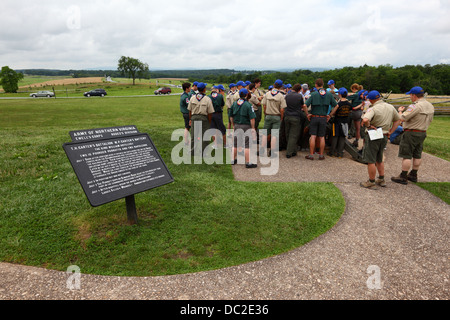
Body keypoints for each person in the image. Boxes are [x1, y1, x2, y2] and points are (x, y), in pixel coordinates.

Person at [391, 86, 434, 185]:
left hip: (411, 132)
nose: (410, 97)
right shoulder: (430, 105)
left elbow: (403, 118)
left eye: (410, 95)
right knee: (417, 154)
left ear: (414, 95)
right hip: (422, 132)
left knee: (407, 155)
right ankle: (414, 174)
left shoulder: (415, 106)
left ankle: (403, 176)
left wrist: (400, 111)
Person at [360, 90, 401, 189]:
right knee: (379, 158)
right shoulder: (390, 107)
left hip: (374, 134)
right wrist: (391, 131)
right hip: (385, 134)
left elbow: (365, 119)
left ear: (370, 99)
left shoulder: (373, 108)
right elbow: (398, 120)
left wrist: (369, 126)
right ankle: (381, 179)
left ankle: (371, 181)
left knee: (371, 160)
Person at [302, 78, 337, 160]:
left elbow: (304, 105)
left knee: (313, 136)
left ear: (316, 85)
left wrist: (307, 114)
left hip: (314, 117)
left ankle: (311, 154)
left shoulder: (313, 94)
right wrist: (330, 115)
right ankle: (321, 155)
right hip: (324, 118)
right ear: (323, 84)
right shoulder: (328, 94)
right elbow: (336, 105)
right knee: (322, 137)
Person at [229, 88, 257, 169]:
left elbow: (231, 116)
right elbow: (252, 118)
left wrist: (233, 124)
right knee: (247, 145)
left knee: (235, 144)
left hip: (237, 124)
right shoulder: (248, 105)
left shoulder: (234, 103)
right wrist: (253, 128)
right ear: (246, 95)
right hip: (246, 126)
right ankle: (248, 162)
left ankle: (233, 160)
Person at [261, 79, 287, 158]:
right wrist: (281, 117)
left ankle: (262, 150)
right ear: (281, 86)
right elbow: (282, 109)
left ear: (274, 85)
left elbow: (264, 105)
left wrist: (265, 112)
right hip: (276, 116)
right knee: (274, 135)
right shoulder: (281, 96)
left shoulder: (267, 93)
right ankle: (271, 151)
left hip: (268, 115)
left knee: (265, 133)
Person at [188, 82, 215, 155]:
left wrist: (190, 119)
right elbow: (210, 113)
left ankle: (192, 151)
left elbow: (189, 110)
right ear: (204, 89)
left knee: (194, 135)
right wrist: (209, 122)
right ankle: (204, 152)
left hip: (194, 117)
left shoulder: (192, 97)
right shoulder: (207, 99)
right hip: (204, 118)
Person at [328, 87, 352, 158]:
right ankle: (340, 153)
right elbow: (350, 111)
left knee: (335, 136)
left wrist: (330, 115)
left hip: (337, 122)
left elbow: (333, 113)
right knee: (342, 137)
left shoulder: (339, 104)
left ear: (339, 94)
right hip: (345, 122)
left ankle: (332, 152)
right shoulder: (349, 104)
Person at [284, 84, 304, 158]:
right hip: (295, 116)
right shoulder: (299, 96)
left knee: (288, 134)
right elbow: (302, 105)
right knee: (294, 135)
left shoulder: (287, 95)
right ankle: (289, 152)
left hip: (287, 116)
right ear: (299, 90)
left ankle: (293, 150)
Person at [209, 85, 227, 149]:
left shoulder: (208, 97)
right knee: (222, 129)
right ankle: (225, 144)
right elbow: (222, 104)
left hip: (211, 114)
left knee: (213, 129)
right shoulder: (220, 96)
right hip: (218, 114)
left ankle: (215, 144)